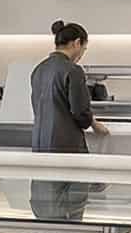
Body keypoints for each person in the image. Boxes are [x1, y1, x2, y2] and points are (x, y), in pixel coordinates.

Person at [30, 20, 110, 152]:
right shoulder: (73, 70)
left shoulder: (38, 69)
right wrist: (93, 124)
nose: (82, 54)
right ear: (77, 43)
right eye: (84, 49)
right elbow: (80, 112)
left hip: (39, 143)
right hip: (65, 145)